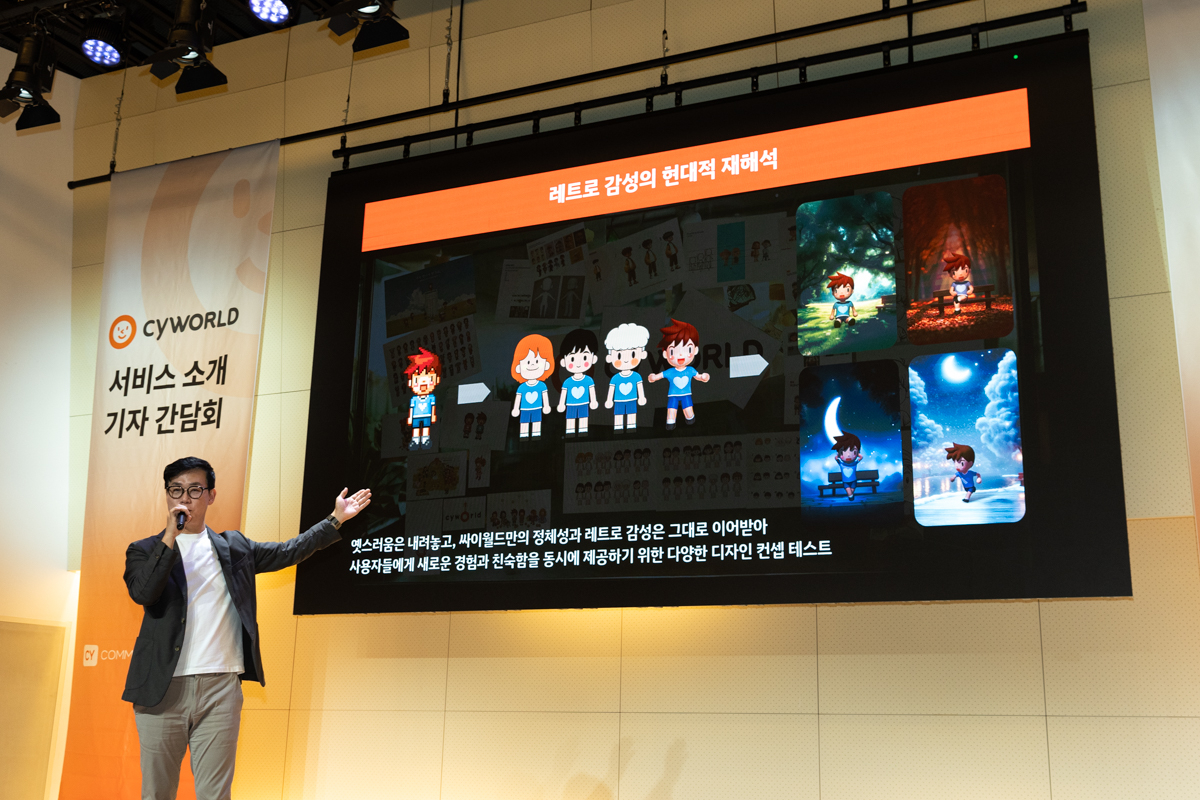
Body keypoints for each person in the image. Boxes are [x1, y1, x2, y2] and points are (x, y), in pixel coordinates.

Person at [123, 456, 371, 800]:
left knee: (215, 794)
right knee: (157, 793)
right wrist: (169, 536)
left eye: (195, 490)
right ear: (167, 495)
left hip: (220, 689)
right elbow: (144, 593)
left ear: (210, 496)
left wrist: (335, 519)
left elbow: (288, 551)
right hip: (162, 689)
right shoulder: (144, 550)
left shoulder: (234, 548)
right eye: (176, 490)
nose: (185, 498)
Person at [647, 318, 710, 430]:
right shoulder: (670, 372)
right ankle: (670, 422)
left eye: (688, 349)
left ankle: (690, 419)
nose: (680, 354)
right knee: (671, 409)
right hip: (673, 395)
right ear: (665, 354)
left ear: (695, 350)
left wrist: (703, 377)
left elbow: (698, 376)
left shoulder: (690, 370)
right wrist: (653, 377)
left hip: (686, 394)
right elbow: (659, 375)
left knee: (688, 410)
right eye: (673, 351)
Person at [831, 432, 864, 500]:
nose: (848, 455)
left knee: (852, 491)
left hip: (854, 480)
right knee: (849, 492)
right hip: (845, 481)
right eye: (843, 452)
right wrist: (838, 455)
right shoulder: (841, 463)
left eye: (854, 452)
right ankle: (851, 497)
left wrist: (858, 454)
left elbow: (861, 458)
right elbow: (836, 458)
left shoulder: (854, 463)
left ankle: (851, 496)